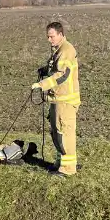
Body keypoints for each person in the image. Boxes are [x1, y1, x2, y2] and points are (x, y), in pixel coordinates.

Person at [31, 21, 81, 176]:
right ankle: (61, 163)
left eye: (51, 36)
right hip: (57, 99)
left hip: (65, 101)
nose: (49, 40)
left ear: (60, 34)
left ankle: (68, 169)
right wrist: (45, 70)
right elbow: (55, 68)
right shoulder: (58, 49)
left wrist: (42, 84)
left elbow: (62, 74)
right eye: (48, 36)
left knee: (65, 134)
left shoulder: (66, 50)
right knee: (57, 133)